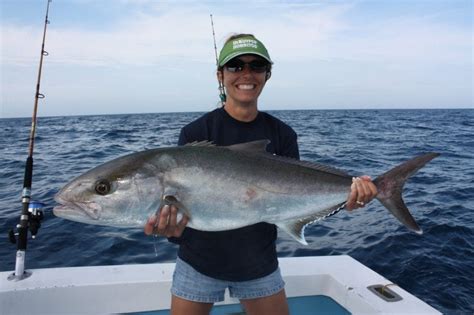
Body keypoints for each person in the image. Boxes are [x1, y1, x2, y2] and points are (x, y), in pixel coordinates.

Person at [144, 34, 377, 315]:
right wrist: (172, 231)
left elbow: (296, 200)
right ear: (220, 75)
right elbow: (180, 208)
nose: (246, 74)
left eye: (256, 66)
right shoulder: (195, 133)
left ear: (267, 75)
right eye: (235, 66)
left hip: (259, 265)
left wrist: (348, 198)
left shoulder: (282, 134)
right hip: (198, 264)